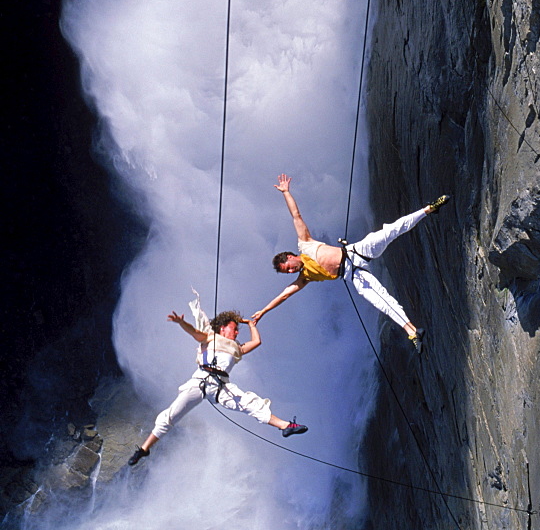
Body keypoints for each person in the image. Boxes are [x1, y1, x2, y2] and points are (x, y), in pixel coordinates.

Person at [253, 175, 449, 352]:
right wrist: (263, 311)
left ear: (290, 257)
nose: (290, 272)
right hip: (354, 275)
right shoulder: (305, 277)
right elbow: (284, 295)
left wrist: (286, 192)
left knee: (391, 230)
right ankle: (413, 332)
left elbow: (296, 216)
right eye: (288, 273)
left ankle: (429, 208)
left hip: (357, 251)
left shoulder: (305, 244)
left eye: (288, 268)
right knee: (382, 301)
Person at [127, 297, 308, 466]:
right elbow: (194, 332)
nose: (237, 332)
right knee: (171, 415)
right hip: (200, 381)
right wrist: (182, 322)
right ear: (222, 328)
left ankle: (285, 426)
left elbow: (257, 341)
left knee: (249, 403)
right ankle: (144, 449)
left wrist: (251, 324)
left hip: (221, 387)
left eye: (238, 330)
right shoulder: (210, 337)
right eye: (234, 328)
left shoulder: (238, 348)